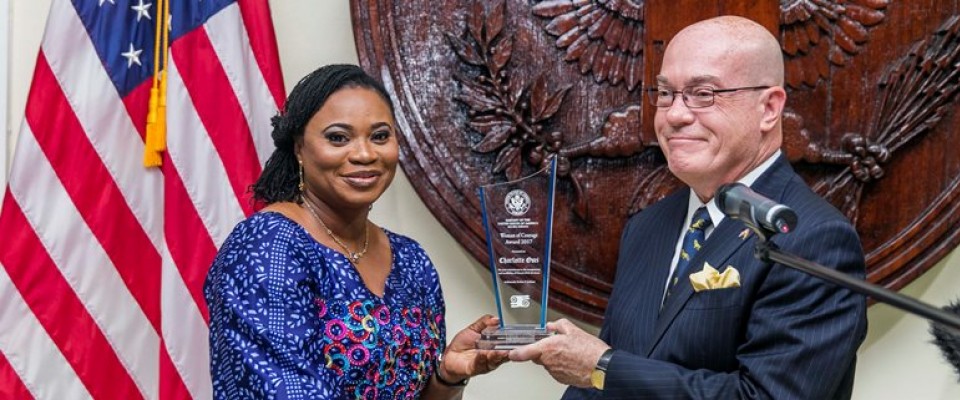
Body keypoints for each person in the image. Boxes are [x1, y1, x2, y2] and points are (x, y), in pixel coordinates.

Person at [510, 16, 868, 399]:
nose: (675, 115)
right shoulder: (648, 225)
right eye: (666, 94)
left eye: (703, 94)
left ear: (769, 108)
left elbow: (765, 396)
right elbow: (595, 385)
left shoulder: (814, 239)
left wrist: (604, 368)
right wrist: (596, 370)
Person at [204, 64, 507, 399]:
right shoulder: (267, 246)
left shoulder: (411, 259)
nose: (365, 154)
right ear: (299, 148)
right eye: (338, 138)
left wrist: (447, 377)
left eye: (380, 136)